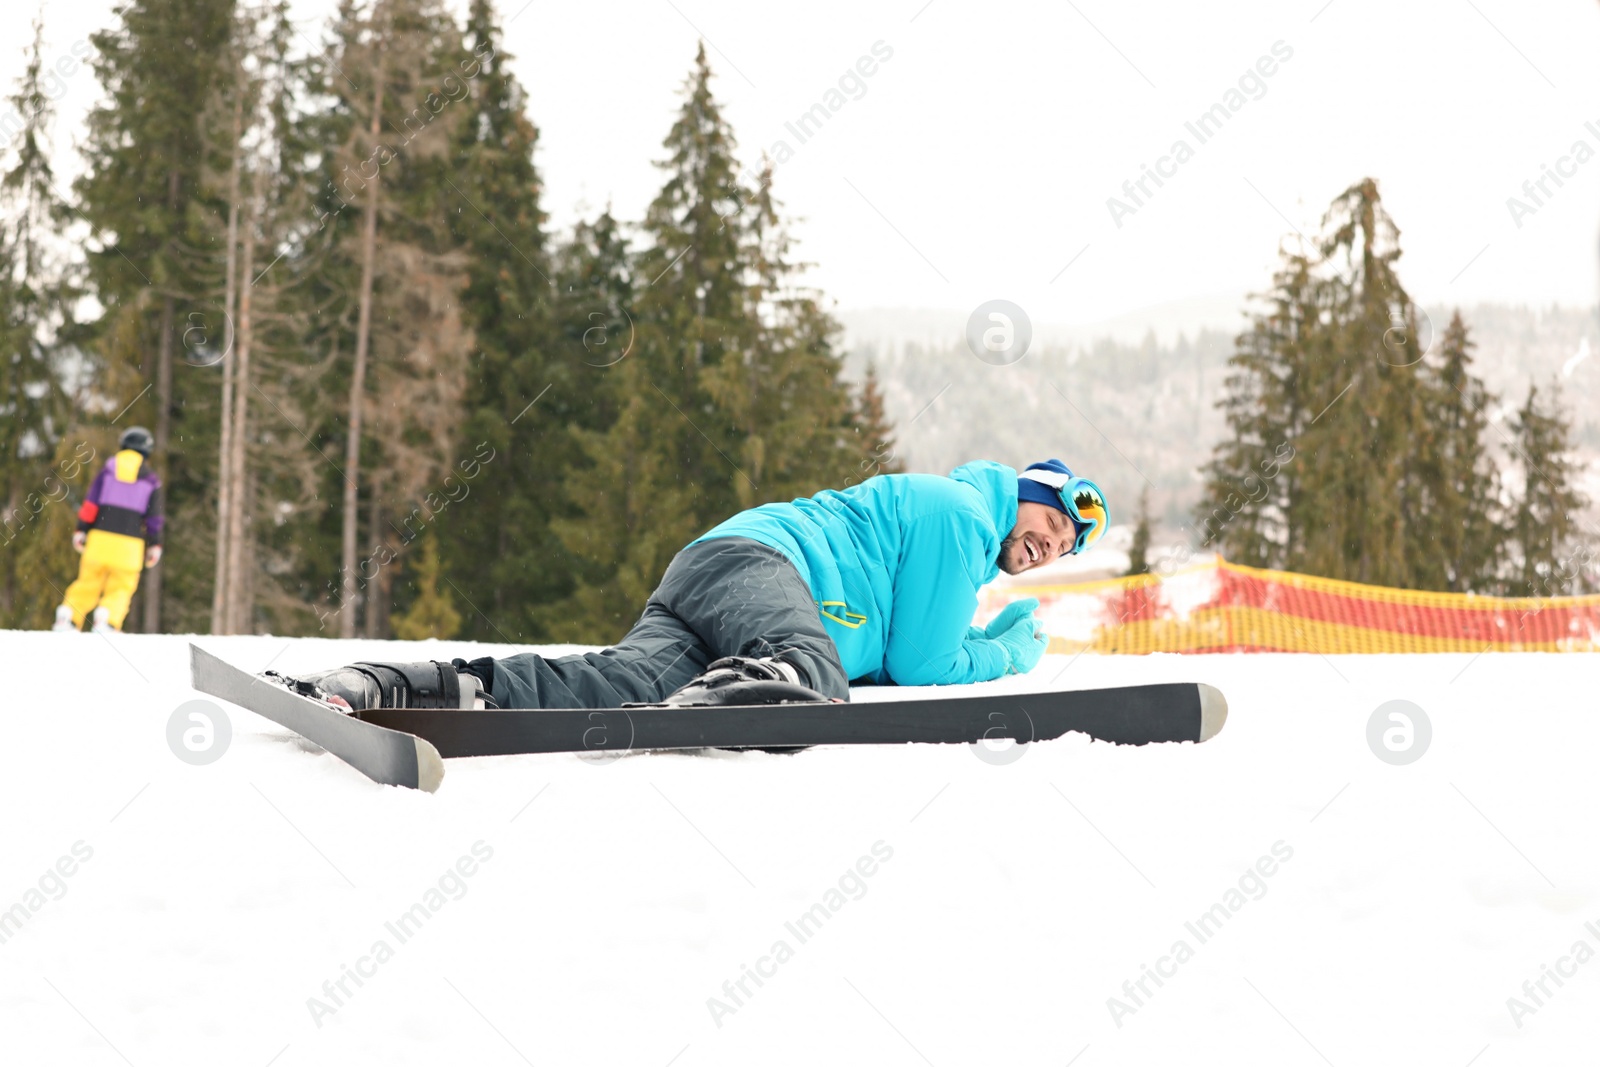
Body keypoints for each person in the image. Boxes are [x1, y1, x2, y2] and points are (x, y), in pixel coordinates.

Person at [285, 459, 1109, 710]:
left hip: (716, 573)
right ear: (1027, 492)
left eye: (1066, 549)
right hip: (763, 569)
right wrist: (1001, 659)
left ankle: (416, 688)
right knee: (807, 672)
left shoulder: (955, 527)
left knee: (617, 682)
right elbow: (922, 662)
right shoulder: (963, 513)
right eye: (1052, 524)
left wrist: (972, 640)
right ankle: (753, 687)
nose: (1049, 547)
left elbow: (901, 647)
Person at [53, 427, 165, 634]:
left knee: (88, 581)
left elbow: (90, 505)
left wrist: (81, 529)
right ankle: (108, 619)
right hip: (130, 545)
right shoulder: (151, 480)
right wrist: (154, 544)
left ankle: (68, 616)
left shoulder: (107, 472)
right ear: (147, 450)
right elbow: (154, 519)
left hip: (99, 539)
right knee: (121, 587)